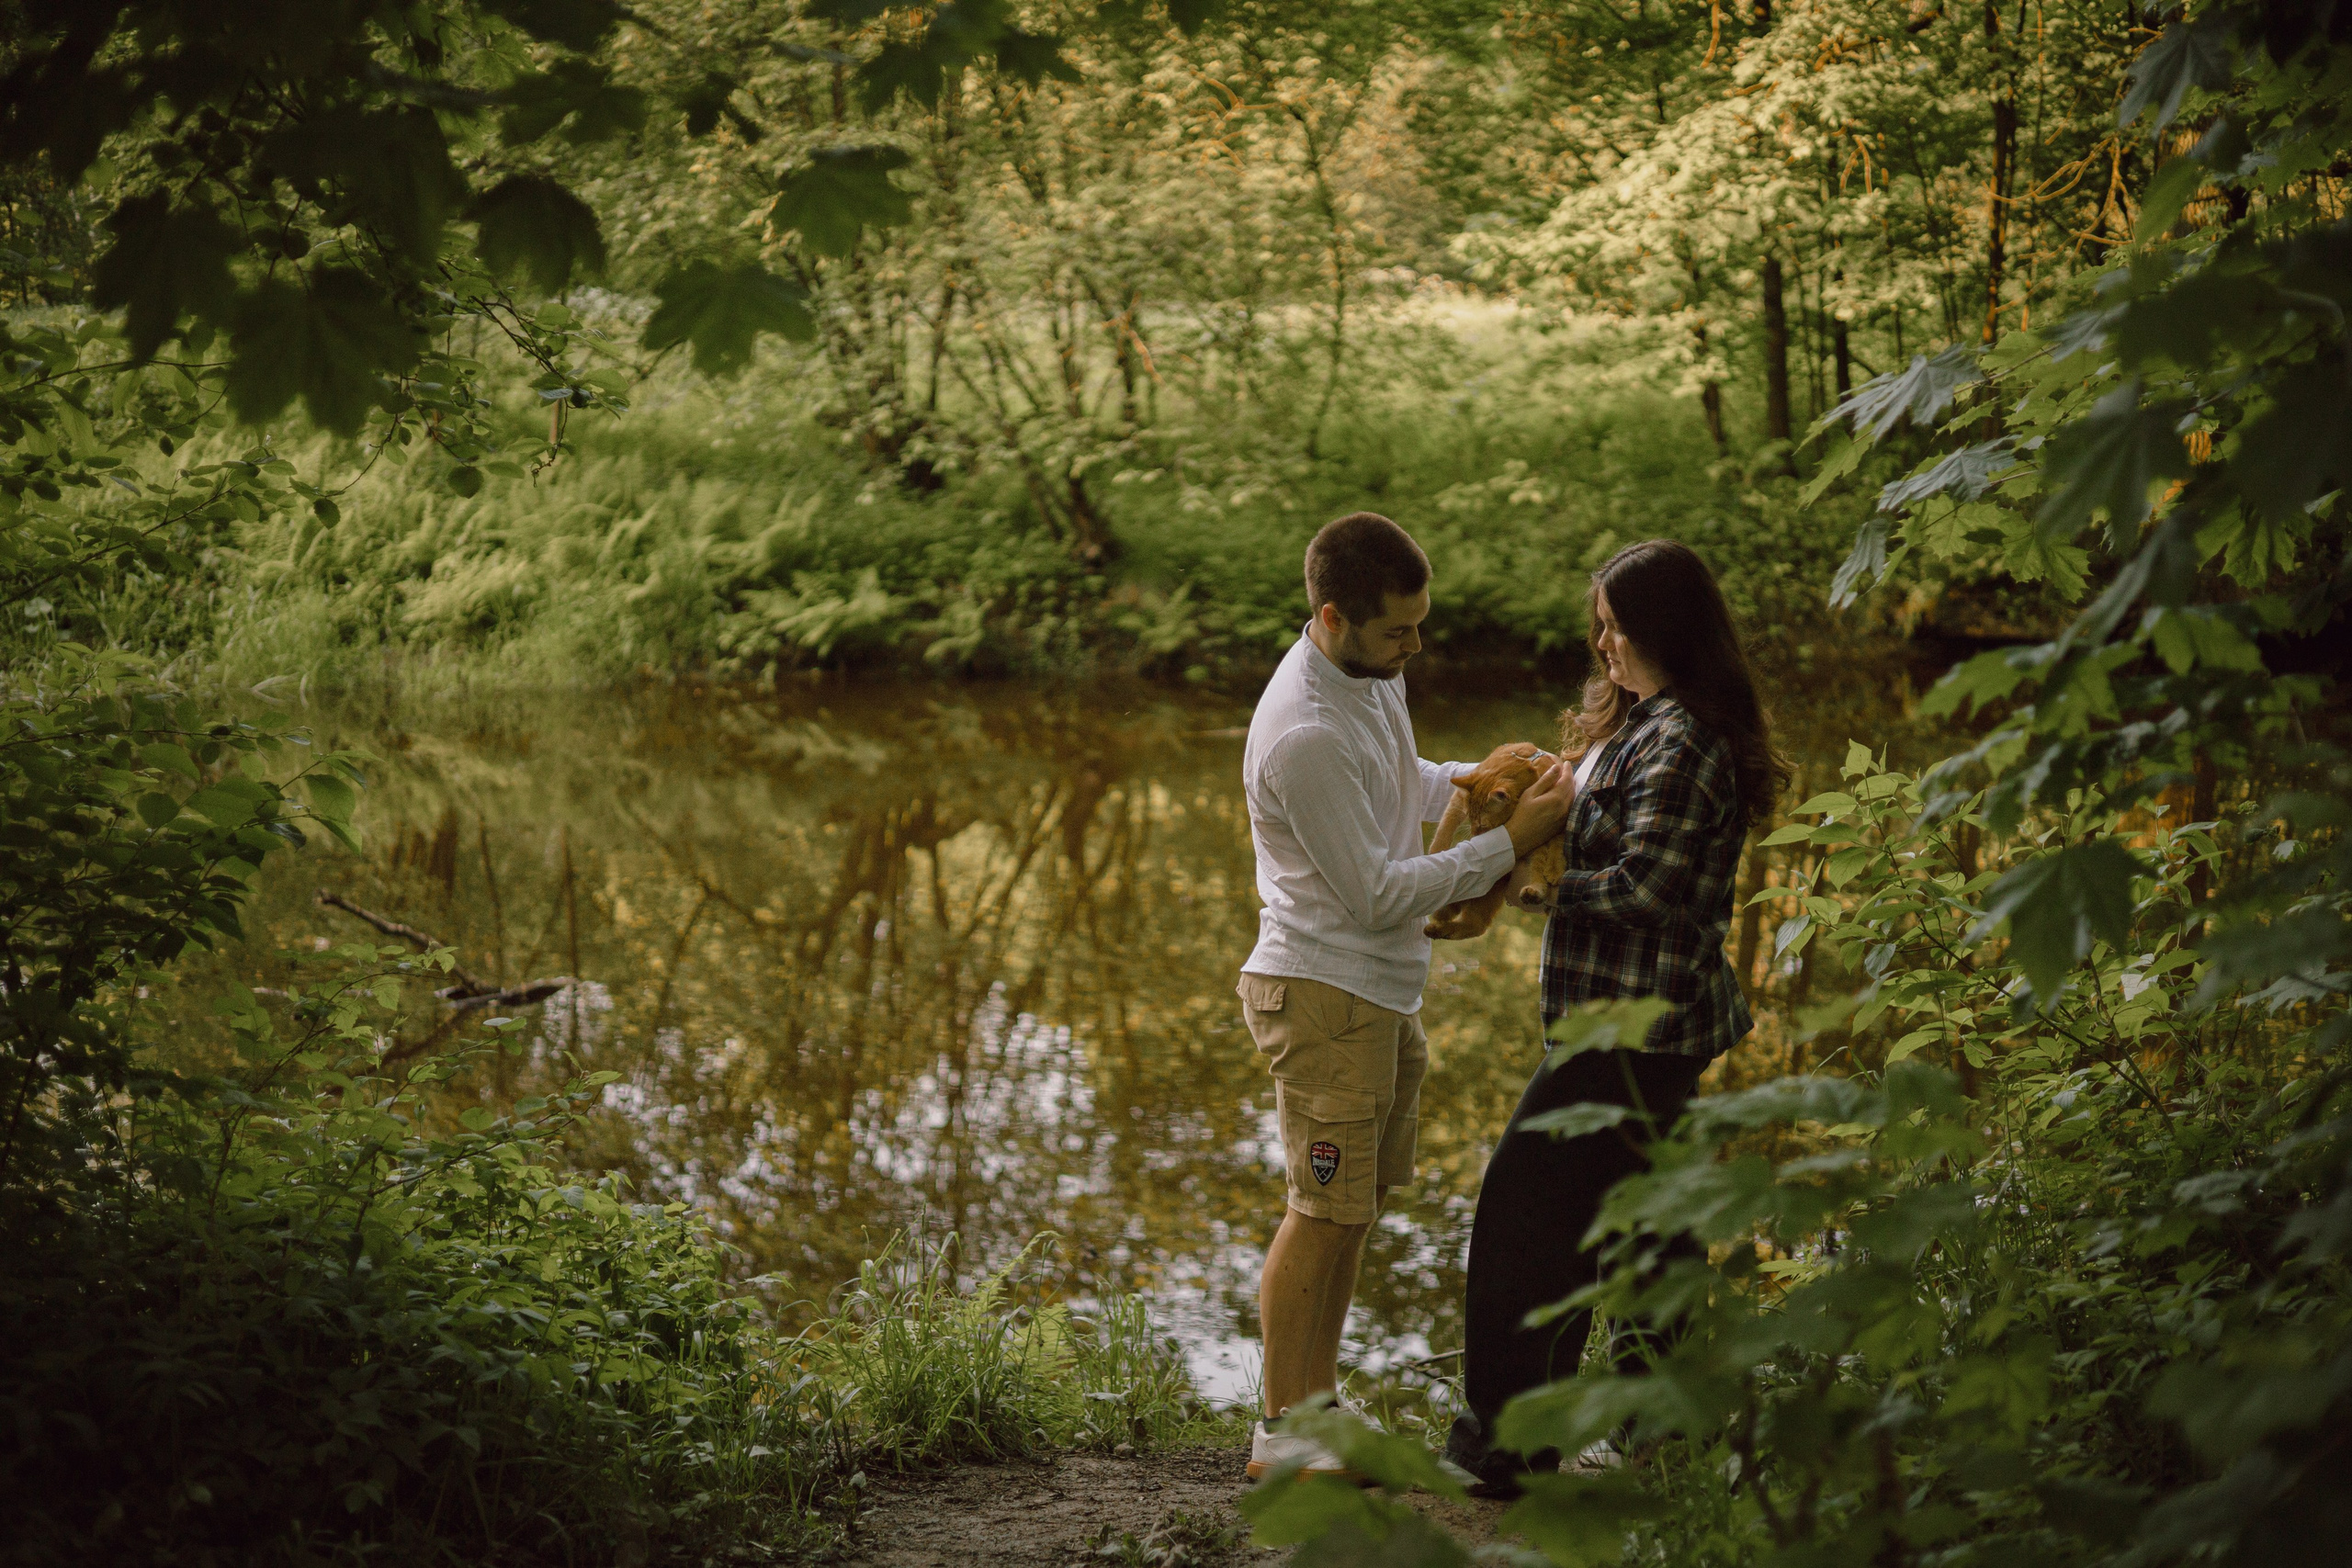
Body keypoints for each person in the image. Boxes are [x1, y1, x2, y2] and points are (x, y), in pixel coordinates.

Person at [1442, 538, 1790, 1497]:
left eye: (1616, 628)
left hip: (1634, 1030)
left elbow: (1648, 888)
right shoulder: (1644, 721)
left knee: (1527, 1219)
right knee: (1650, 1230)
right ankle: (1662, 1436)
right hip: (1632, 1025)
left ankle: (1505, 1452)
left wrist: (1530, 883)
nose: (1601, 645)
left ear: (1664, 632)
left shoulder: (1681, 739)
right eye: (1596, 626)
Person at [1238, 511, 1574, 1482]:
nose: (1415, 647)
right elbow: (1378, 891)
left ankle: (1317, 1414)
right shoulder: (1300, 732)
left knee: (1354, 1207)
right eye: (1398, 631)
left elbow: (1398, 780)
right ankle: (1280, 1438)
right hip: (1320, 992)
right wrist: (1507, 845)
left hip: (1376, 993)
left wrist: (1471, 784)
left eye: (1420, 625)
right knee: (1321, 1209)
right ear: (1334, 618)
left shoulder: (1366, 680)